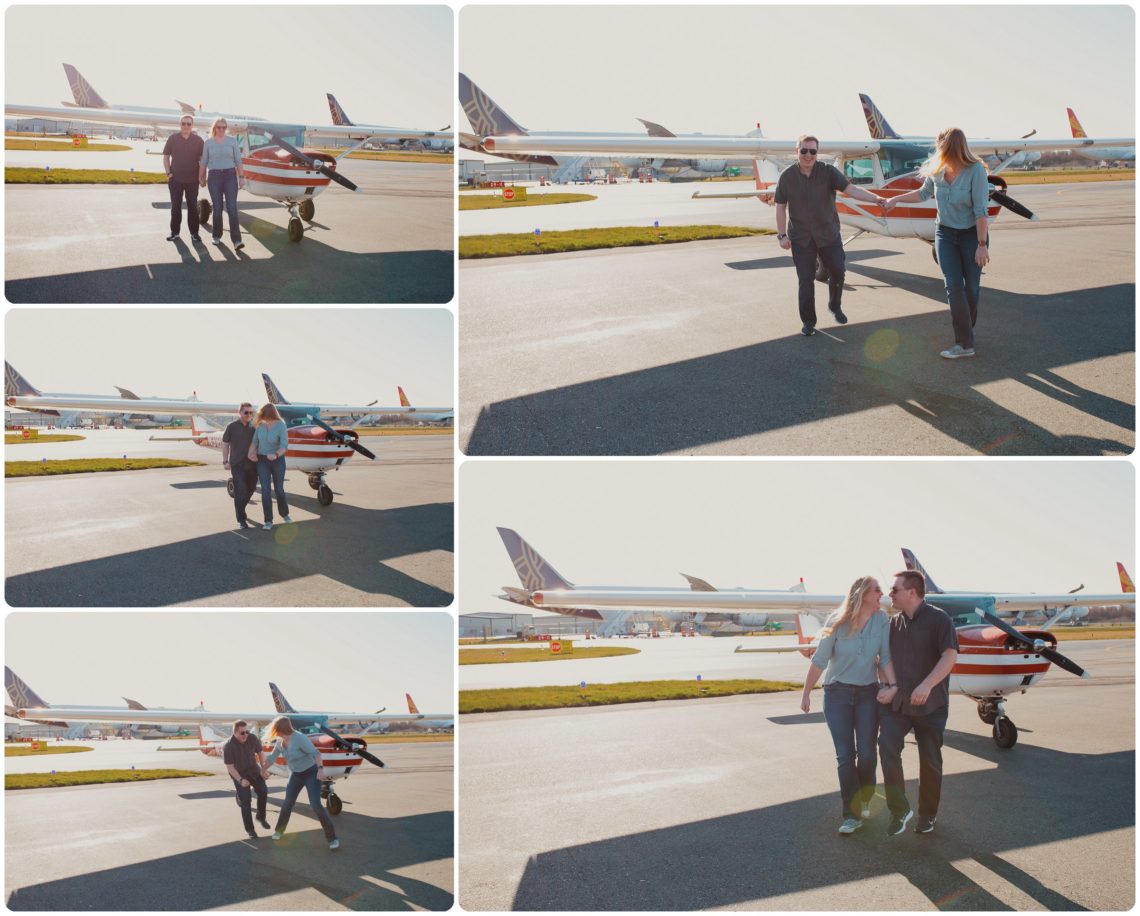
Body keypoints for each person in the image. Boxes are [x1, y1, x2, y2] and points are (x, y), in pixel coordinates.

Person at [799, 576, 898, 835]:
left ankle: (865, 796)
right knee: (845, 755)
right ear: (864, 594)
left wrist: (894, 686)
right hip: (837, 694)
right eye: (877, 590)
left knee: (866, 753)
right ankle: (851, 815)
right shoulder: (838, 622)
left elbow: (885, 657)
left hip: (868, 693)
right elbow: (820, 660)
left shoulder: (881, 619)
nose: (882, 594)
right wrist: (806, 692)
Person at [881, 128, 991, 359]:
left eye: (940, 146)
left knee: (971, 288)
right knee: (953, 286)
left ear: (950, 147)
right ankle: (964, 343)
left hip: (973, 235)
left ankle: (966, 333)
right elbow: (922, 194)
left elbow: (981, 211)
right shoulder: (937, 170)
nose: (937, 150)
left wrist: (982, 244)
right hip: (945, 234)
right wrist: (895, 200)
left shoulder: (976, 171)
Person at [774, 135, 890, 337]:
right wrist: (782, 235)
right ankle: (809, 321)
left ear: (817, 153)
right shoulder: (787, 177)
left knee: (838, 270)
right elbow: (780, 206)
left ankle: (835, 305)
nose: (808, 155)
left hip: (828, 235)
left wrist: (876, 198)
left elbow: (851, 190)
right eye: (804, 151)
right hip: (801, 239)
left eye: (812, 151)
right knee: (805, 280)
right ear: (797, 151)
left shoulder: (828, 172)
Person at [879, 569, 959, 836]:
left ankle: (928, 815)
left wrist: (927, 684)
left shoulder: (939, 620)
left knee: (930, 760)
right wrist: (888, 686)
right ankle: (899, 810)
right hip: (898, 704)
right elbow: (884, 661)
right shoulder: (893, 624)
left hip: (931, 705)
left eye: (894, 590)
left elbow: (949, 657)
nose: (890, 594)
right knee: (887, 746)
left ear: (911, 592)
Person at [262, 716, 339, 850]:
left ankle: (332, 838)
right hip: (296, 775)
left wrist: (321, 769)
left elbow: (316, 753)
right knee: (287, 803)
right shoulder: (280, 742)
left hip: (311, 773)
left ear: (282, 729)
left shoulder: (299, 738)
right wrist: (262, 770)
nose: (275, 733)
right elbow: (272, 757)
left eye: (276, 730)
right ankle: (279, 831)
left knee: (315, 805)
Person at [198, 116, 246, 249]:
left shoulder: (232, 142)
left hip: (230, 176)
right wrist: (200, 177)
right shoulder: (208, 143)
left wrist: (241, 177)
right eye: (219, 127)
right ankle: (216, 236)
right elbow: (204, 162)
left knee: (232, 207)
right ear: (214, 128)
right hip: (214, 177)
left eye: (224, 127)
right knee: (217, 208)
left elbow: (238, 161)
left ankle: (237, 240)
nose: (221, 130)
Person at [223, 719, 271, 839]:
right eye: (242, 733)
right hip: (239, 774)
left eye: (247, 731)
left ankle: (260, 817)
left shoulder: (252, 738)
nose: (246, 735)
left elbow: (260, 753)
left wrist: (263, 769)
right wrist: (240, 780)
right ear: (235, 733)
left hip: (254, 770)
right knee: (246, 801)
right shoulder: (228, 746)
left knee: (263, 791)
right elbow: (230, 767)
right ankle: (250, 830)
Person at [163, 114, 204, 243]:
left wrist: (202, 177)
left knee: (192, 207)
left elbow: (203, 160)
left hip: (193, 180)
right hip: (175, 180)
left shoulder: (198, 140)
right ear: (180, 125)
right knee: (175, 207)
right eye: (183, 123)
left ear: (192, 126)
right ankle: (175, 232)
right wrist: (169, 173)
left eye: (189, 124)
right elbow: (166, 157)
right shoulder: (172, 139)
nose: (186, 126)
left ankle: (194, 234)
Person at [252, 404, 291, 530]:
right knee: (265, 490)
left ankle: (285, 514)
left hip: (277, 459)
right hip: (262, 460)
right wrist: (251, 452)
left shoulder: (281, 425)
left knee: (279, 488)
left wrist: (275, 455)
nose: (263, 418)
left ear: (270, 414)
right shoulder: (260, 425)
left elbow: (284, 446)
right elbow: (254, 442)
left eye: (264, 415)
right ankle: (268, 521)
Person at [221, 403, 258, 530]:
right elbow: (225, 444)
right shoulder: (231, 427)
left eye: (251, 413)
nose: (249, 415)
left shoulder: (254, 427)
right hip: (237, 464)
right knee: (240, 489)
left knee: (252, 488)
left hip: (252, 465)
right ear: (240, 412)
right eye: (246, 412)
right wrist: (225, 461)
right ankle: (241, 519)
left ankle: (240, 508)